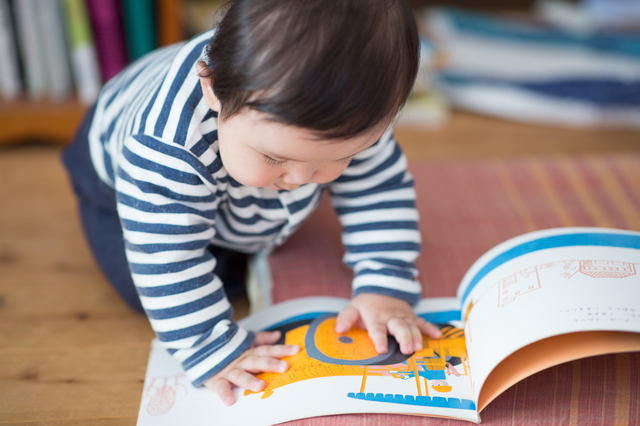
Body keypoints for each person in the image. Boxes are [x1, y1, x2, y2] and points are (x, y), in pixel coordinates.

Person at [62, 0, 442, 407]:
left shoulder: (353, 114)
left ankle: (238, 218)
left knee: (273, 200)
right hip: (116, 182)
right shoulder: (166, 149)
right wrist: (211, 348)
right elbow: (165, 256)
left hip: (226, 171)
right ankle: (220, 238)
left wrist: (385, 284)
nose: (299, 180)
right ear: (212, 90)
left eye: (338, 159)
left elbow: (381, 189)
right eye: (276, 158)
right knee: (149, 286)